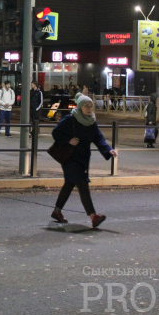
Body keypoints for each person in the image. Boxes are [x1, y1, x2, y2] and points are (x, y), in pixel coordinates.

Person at [49, 95, 117, 227]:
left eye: (91, 106)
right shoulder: (70, 119)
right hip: (69, 157)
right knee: (82, 183)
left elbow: (99, 138)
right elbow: (56, 132)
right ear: (80, 107)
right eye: (86, 106)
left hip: (83, 158)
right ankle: (93, 216)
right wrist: (68, 140)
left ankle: (57, 211)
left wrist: (108, 150)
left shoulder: (91, 121)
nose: (89, 108)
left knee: (69, 184)